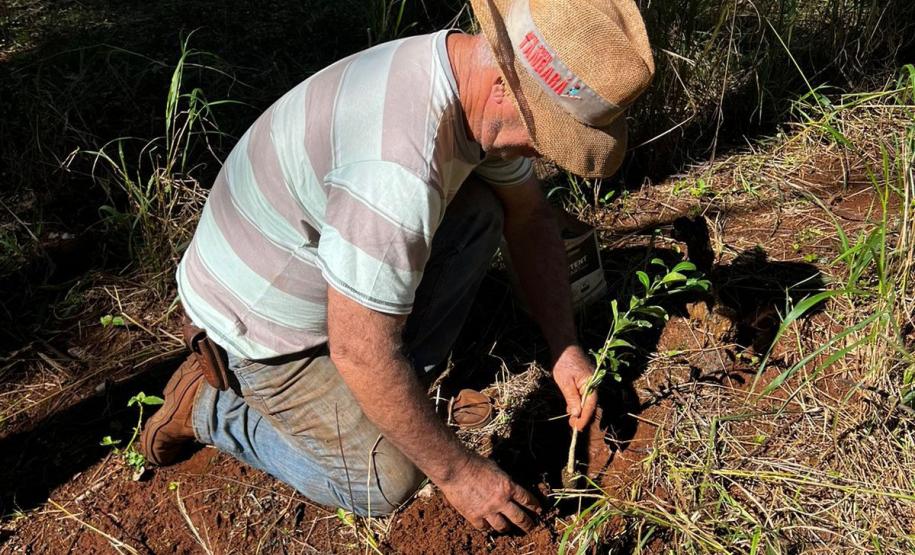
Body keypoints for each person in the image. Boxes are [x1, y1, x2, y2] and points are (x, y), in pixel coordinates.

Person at [140, 0, 654, 534]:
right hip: (261, 327)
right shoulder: (397, 168)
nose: (542, 152)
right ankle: (210, 412)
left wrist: (565, 348)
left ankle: (403, 401)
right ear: (506, 84)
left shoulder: (463, 74)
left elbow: (529, 218)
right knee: (388, 479)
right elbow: (359, 351)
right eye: (545, 134)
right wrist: (458, 474)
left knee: (482, 210)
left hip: (331, 277)